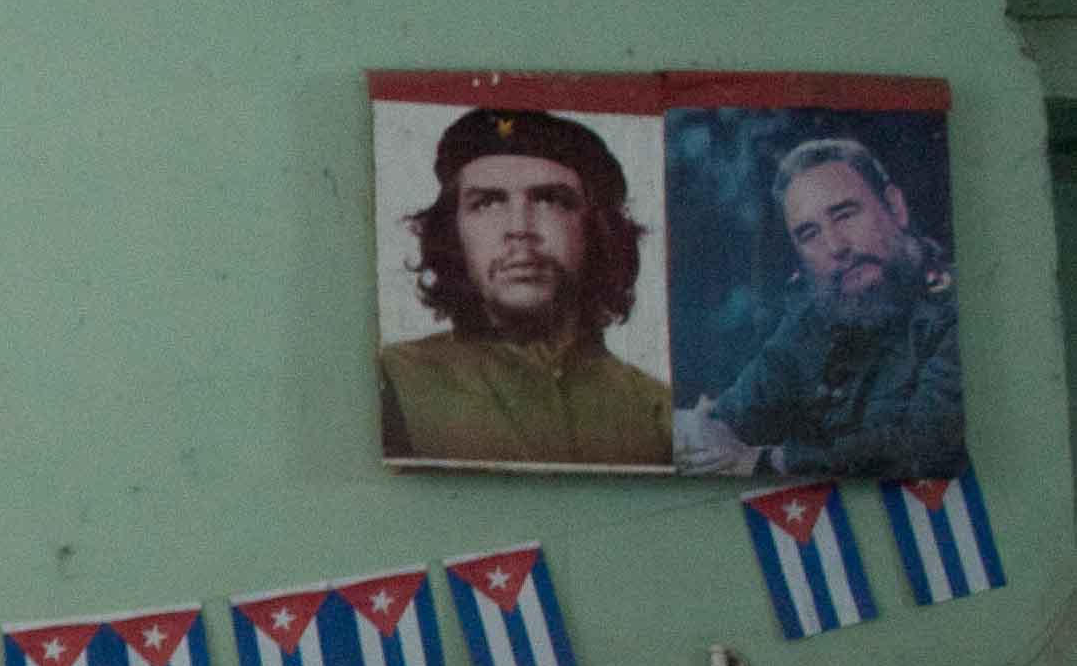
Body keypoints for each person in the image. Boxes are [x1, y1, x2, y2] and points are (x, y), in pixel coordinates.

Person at [378, 108, 674, 466]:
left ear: (597, 230)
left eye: (550, 200)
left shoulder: (659, 414)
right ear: (453, 233)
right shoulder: (392, 382)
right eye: (487, 202)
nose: (519, 228)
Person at [673, 135, 964, 478]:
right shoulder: (815, 317)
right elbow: (735, 413)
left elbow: (927, 445)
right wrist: (702, 430)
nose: (836, 246)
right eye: (810, 234)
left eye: (845, 215)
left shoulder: (956, 308)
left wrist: (770, 461)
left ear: (894, 207)